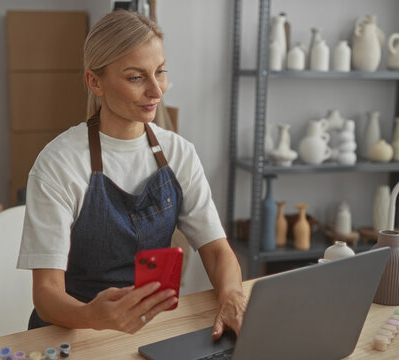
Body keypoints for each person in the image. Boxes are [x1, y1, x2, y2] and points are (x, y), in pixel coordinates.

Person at [17, 10, 246, 339]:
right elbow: (46, 296)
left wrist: (232, 297)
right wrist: (92, 315)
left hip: (150, 331)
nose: (157, 91)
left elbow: (216, 250)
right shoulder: (59, 163)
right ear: (95, 81)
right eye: (136, 77)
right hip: (72, 333)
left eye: (161, 72)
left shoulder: (178, 153)